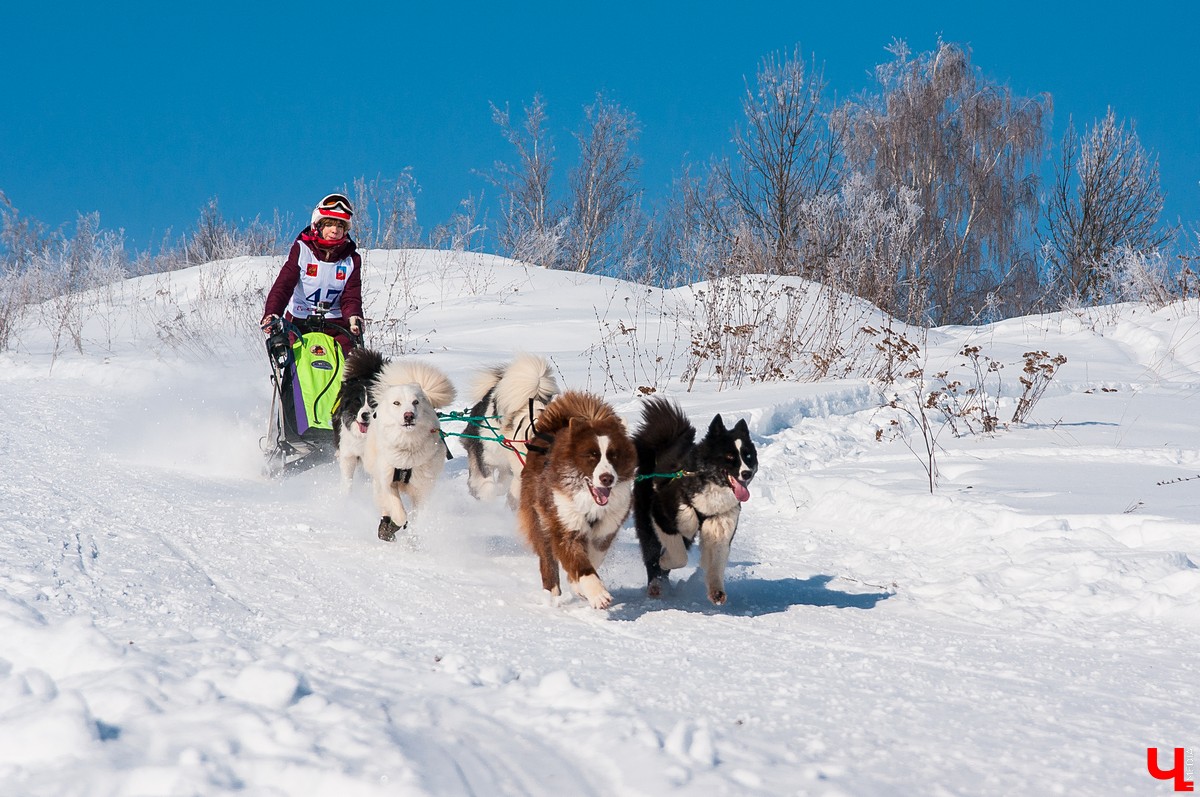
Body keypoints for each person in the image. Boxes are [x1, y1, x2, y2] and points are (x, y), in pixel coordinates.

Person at [261, 193, 363, 352]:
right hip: (299, 323)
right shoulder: (302, 250)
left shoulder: (351, 260)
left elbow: (351, 296)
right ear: (318, 226)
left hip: (337, 326)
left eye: (340, 226)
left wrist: (354, 317)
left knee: (350, 370)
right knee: (295, 367)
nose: (335, 230)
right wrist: (272, 313)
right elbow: (284, 286)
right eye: (329, 224)